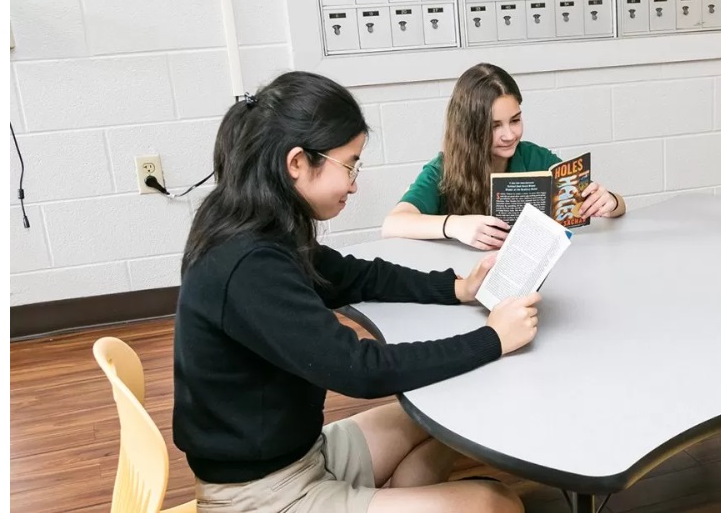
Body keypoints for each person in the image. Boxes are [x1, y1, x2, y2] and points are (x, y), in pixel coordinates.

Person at [173, 71, 537, 513]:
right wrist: (493, 338)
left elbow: (353, 276)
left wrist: (458, 287)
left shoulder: (257, 219)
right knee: (497, 503)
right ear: (297, 163)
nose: (354, 182)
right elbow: (360, 369)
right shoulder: (248, 263)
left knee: (444, 414)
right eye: (350, 164)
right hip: (264, 494)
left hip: (302, 456)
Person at [382, 62, 625, 249]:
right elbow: (393, 224)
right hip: (464, 278)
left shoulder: (534, 158)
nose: (509, 135)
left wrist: (610, 201)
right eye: (494, 125)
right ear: (470, 127)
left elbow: (619, 206)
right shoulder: (444, 169)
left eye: (516, 120)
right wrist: (455, 225)